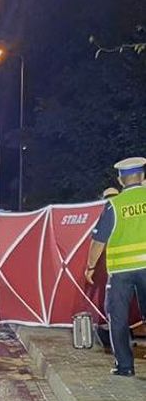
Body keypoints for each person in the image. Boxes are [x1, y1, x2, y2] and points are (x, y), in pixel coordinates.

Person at [85, 156, 146, 377]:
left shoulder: (114, 205)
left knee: (118, 317)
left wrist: (90, 267)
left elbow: (98, 240)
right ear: (142, 176)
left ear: (121, 180)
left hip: (121, 272)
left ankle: (125, 366)